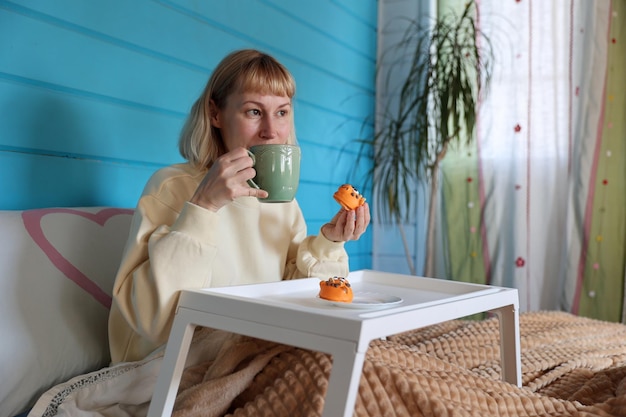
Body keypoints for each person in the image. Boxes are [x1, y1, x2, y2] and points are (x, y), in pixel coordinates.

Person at [108, 49, 371, 363]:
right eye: (254, 112)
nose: (271, 131)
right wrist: (203, 207)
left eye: (282, 112)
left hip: (253, 355)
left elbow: (303, 305)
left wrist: (329, 242)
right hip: (169, 369)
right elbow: (154, 322)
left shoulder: (283, 205)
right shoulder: (172, 188)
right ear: (215, 114)